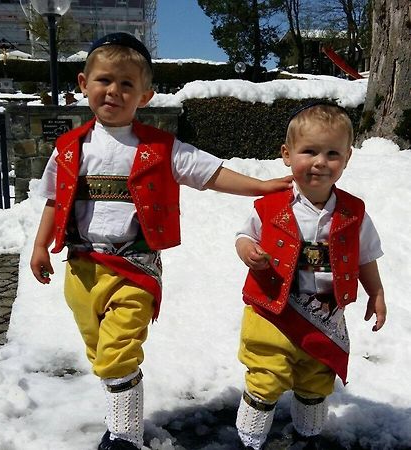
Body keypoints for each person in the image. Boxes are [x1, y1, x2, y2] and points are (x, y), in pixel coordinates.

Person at [30, 32, 292, 450]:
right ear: (83, 83)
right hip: (81, 267)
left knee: (119, 350)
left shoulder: (161, 149)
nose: (113, 91)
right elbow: (51, 200)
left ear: (145, 96)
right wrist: (41, 245)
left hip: (134, 268)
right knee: (101, 354)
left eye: (127, 84)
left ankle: (124, 436)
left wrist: (260, 186)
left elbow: (211, 173)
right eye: (104, 80)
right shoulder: (67, 149)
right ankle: (121, 413)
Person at [234, 103, 386, 450]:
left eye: (332, 153)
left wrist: (375, 293)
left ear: (346, 159)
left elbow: (365, 257)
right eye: (309, 151)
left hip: (325, 315)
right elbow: (245, 236)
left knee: (316, 379)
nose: (320, 162)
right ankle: (250, 439)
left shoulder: (353, 212)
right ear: (287, 155)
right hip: (271, 311)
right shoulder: (270, 205)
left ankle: (307, 437)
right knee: (265, 375)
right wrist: (247, 251)